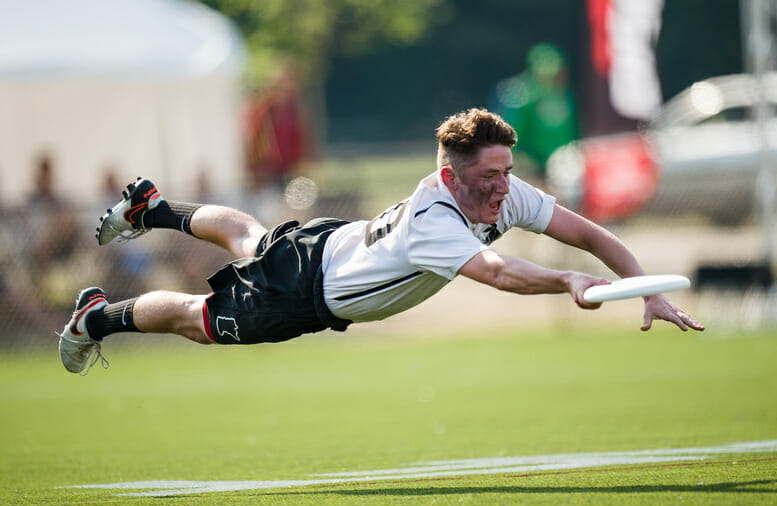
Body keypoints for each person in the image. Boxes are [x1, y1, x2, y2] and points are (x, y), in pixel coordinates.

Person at [58, 108, 703, 375]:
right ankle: (99, 316)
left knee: (250, 236)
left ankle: (157, 208)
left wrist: (642, 287)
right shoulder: (437, 218)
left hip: (328, 242)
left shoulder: (508, 189)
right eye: (489, 176)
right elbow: (499, 273)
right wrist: (566, 282)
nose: (504, 188)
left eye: (507, 171)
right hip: (309, 291)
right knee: (201, 321)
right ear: (451, 174)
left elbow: (588, 233)